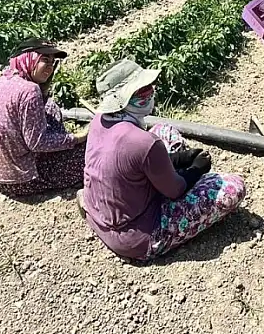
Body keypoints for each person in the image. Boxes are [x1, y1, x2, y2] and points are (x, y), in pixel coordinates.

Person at [81, 58, 246, 262]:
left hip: (98, 215)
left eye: (149, 88)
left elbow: (136, 158)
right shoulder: (143, 143)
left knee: (165, 131)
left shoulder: (99, 119)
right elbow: (175, 190)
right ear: (124, 100)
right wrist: (195, 170)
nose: (150, 93)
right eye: (143, 91)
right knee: (232, 187)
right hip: (136, 236)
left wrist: (179, 158)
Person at [0, 39, 87, 197]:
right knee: (91, 154)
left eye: (52, 62)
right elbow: (37, 143)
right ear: (28, 59)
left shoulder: (4, 80)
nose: (50, 67)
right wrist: (77, 138)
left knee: (50, 107)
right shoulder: (30, 90)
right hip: (21, 180)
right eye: (44, 60)